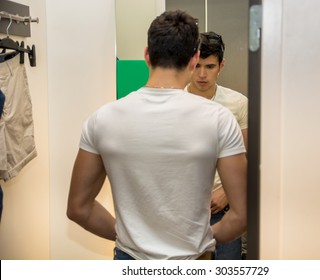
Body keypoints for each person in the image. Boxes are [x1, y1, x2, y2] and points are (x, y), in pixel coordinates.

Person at [67, 10, 247, 260]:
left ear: (147, 55)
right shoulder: (220, 120)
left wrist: (129, 238)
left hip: (131, 259)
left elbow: (79, 208)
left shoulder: (102, 119)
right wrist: (200, 239)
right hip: (193, 259)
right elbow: (243, 214)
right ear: (194, 59)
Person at [185, 31, 248, 260]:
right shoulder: (175, 100)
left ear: (221, 65)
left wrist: (227, 194)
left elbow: (246, 156)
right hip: (184, 208)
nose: (202, 74)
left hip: (223, 207)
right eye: (197, 66)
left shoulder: (238, 103)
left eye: (210, 67)